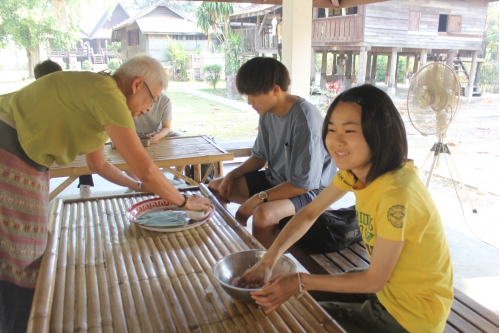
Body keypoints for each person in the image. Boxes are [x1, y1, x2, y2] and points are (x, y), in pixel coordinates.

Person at [0, 55, 211, 332]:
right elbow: (146, 169)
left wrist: (137, 188)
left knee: (30, 242)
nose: (149, 109)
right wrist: (184, 201)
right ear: (137, 84)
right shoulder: (108, 95)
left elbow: (97, 164)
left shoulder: (99, 93)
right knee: (23, 253)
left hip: (27, 156)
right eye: (152, 98)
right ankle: (18, 323)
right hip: (9, 149)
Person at [236, 85, 454, 333]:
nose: (336, 141)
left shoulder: (396, 195)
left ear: (379, 133)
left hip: (411, 316)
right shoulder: (354, 173)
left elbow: (374, 280)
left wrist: (300, 280)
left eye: (349, 130)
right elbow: (308, 213)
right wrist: (268, 260)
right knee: (295, 300)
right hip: (388, 290)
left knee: (299, 316)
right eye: (331, 130)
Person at [208, 57, 335, 249]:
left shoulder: (305, 120)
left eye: (253, 95)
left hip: (311, 191)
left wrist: (258, 198)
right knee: (217, 187)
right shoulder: (267, 113)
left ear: (275, 90)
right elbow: (259, 158)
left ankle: (265, 269)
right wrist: (231, 176)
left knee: (262, 215)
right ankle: (226, 244)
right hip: (278, 180)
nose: (249, 101)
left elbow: (303, 185)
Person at [33, 59, 95, 198]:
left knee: (84, 146)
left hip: (70, 140)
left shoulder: (70, 93)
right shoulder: (34, 96)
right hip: (44, 145)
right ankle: (39, 191)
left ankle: (85, 184)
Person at [126, 92, 185, 182]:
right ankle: (137, 182)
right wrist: (132, 136)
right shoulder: (130, 98)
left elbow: (166, 127)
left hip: (157, 131)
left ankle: (177, 178)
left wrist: (157, 136)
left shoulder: (165, 100)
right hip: (133, 131)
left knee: (182, 140)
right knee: (118, 145)